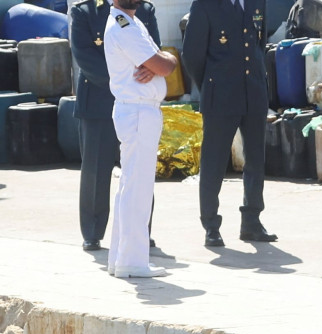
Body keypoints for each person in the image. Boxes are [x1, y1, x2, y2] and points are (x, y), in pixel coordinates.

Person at [68, 0, 159, 253]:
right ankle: (93, 232)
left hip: (135, 102)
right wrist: (123, 80)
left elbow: (154, 51)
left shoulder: (145, 10)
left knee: (139, 168)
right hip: (98, 102)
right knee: (96, 170)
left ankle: (141, 229)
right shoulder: (84, 11)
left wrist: (148, 71)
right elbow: (84, 56)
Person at [183, 0, 274, 247]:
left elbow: (259, 43)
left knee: (256, 158)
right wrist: (211, 84)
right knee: (214, 161)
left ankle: (252, 221)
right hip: (221, 93)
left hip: (253, 89)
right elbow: (192, 55)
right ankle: (211, 225)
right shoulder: (205, 4)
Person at [102, 0, 174, 278]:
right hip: (138, 112)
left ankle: (121, 258)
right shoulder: (124, 26)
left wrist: (163, 61)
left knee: (131, 186)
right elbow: (164, 65)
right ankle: (132, 262)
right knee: (137, 189)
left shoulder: (134, 22)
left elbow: (166, 60)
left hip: (138, 111)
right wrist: (162, 63)